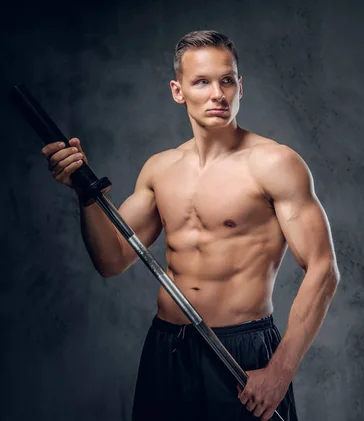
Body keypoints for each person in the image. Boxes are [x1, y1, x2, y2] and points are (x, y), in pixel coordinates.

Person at [41, 30, 340, 421]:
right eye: (202, 81)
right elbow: (111, 259)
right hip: (168, 347)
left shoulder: (274, 164)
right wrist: (85, 197)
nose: (218, 94)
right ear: (178, 90)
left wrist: (280, 371)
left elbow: (323, 269)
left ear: (239, 86)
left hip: (240, 349)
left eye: (227, 80)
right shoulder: (161, 169)